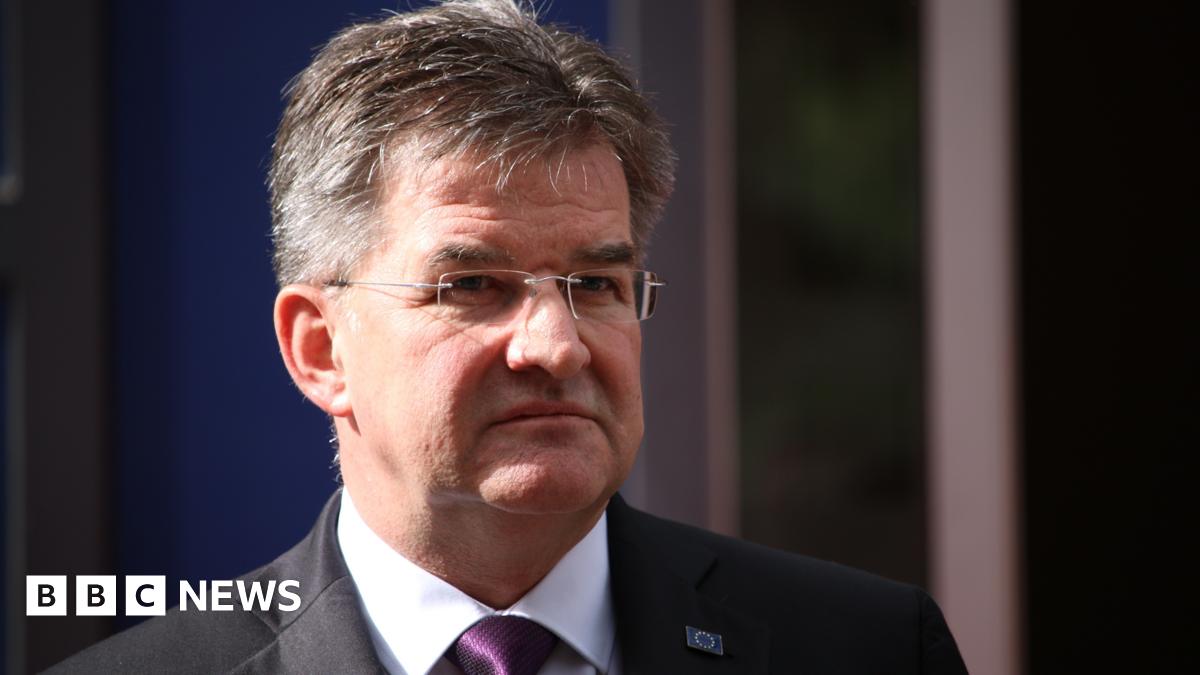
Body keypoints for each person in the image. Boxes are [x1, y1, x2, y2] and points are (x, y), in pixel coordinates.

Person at [51, 1, 968, 672]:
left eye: (596, 284)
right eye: (474, 284)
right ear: (320, 348)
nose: (557, 345)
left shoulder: (868, 651)